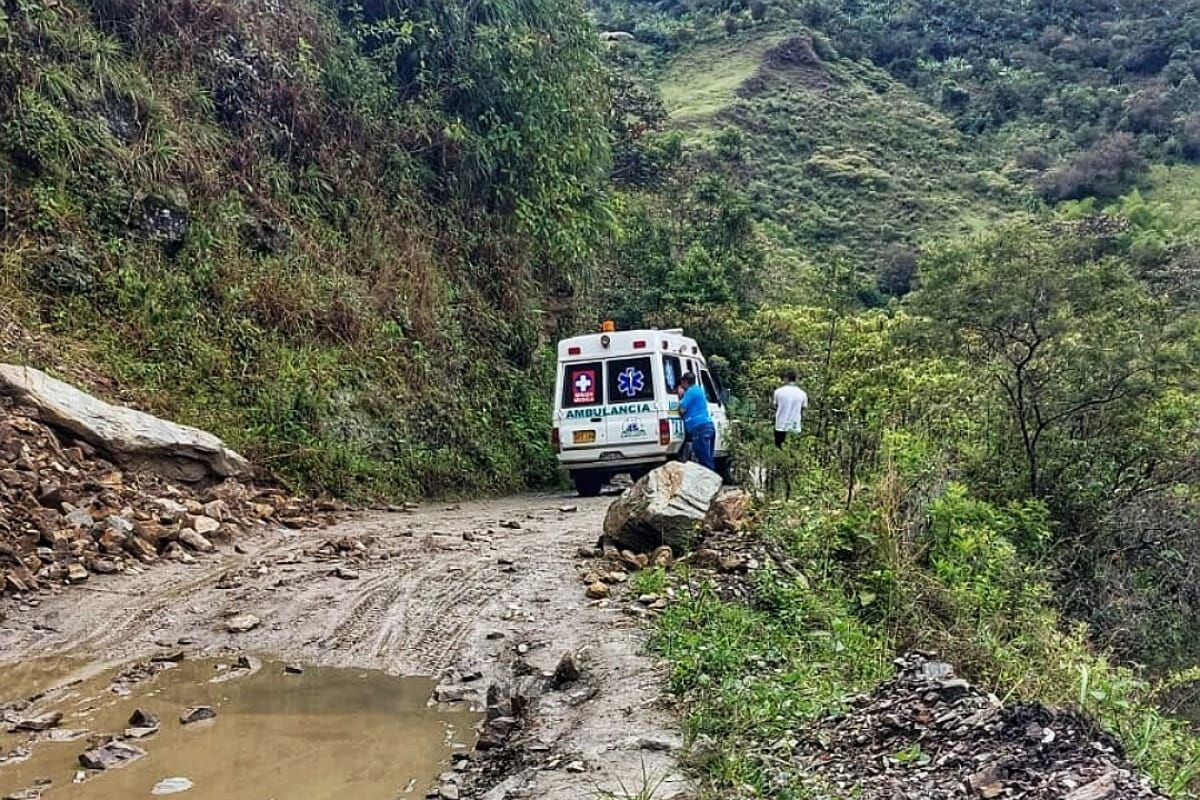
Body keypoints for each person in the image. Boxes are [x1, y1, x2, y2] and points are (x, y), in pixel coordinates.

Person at [677, 371, 717, 472]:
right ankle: (712, 477)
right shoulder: (699, 390)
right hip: (708, 426)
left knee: (704, 461)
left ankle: (709, 479)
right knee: (708, 458)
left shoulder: (690, 392)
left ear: (685, 382)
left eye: (682, 382)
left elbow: (682, 410)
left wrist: (681, 398)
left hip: (699, 428)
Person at [772, 369, 808, 448]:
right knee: (793, 449)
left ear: (786, 378)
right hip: (795, 426)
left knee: (779, 448)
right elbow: (803, 409)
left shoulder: (778, 392)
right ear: (796, 379)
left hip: (780, 425)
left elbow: (775, 406)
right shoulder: (802, 393)